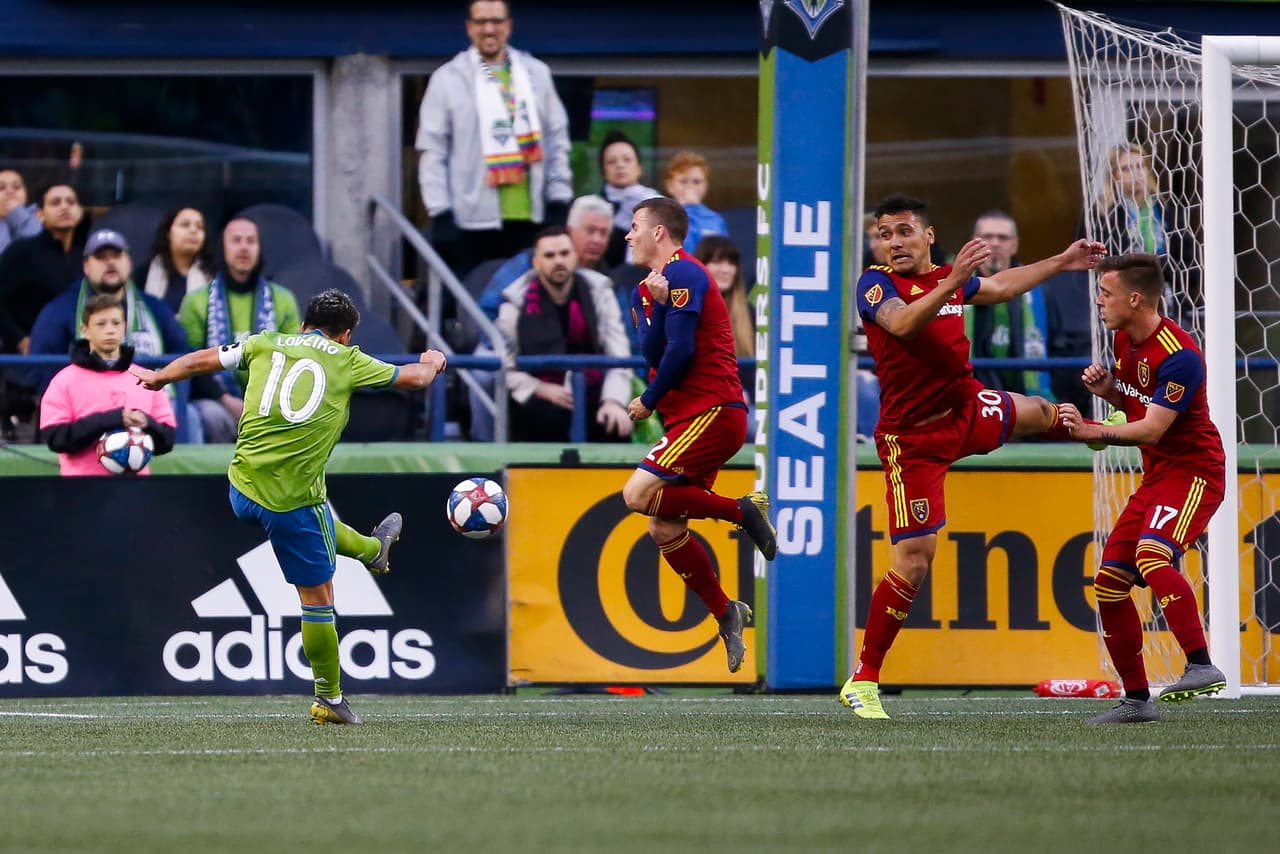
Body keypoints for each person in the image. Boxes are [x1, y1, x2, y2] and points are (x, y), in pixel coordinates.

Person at [840, 193, 1105, 719]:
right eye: (885, 234)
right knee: (915, 560)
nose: (894, 243)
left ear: (928, 236)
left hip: (963, 409)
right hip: (912, 440)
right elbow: (902, 324)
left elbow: (1001, 285)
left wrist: (1061, 260)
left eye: (904, 232)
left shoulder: (948, 278)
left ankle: (1097, 430)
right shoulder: (876, 285)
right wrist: (953, 281)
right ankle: (864, 679)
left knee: (1037, 409)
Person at [131, 289, 449, 725]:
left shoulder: (265, 341)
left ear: (303, 325)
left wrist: (160, 377)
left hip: (240, 486)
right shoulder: (348, 359)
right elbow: (415, 379)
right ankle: (329, 698)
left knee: (317, 511)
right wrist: (433, 360)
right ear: (346, 335)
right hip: (288, 502)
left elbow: (201, 360)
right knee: (319, 598)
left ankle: (372, 549)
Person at [1057, 253, 1228, 724]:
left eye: (1105, 292)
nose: (1098, 301)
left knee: (1153, 556)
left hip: (1194, 473)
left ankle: (1201, 664)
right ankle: (1136, 699)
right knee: (1109, 585)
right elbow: (1140, 408)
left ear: (1135, 299)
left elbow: (1152, 429)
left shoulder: (1180, 356)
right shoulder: (1122, 340)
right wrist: (1111, 393)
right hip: (1157, 477)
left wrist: (1093, 430)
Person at [620, 197, 776, 674]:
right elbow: (653, 349)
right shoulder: (644, 289)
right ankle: (726, 611)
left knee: (636, 495)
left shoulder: (687, 272)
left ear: (659, 232)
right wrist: (656, 305)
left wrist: (648, 399)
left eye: (635, 225)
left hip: (712, 411)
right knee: (663, 527)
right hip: (686, 418)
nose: (628, 234)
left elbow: (682, 349)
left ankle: (742, 511)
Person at [415, 0, 572, 279]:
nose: (489, 29)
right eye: (481, 22)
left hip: (531, 219)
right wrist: (440, 212)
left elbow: (557, 139)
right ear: (469, 27)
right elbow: (432, 151)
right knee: (470, 299)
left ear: (508, 26)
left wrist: (558, 200)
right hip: (469, 222)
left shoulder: (536, 74)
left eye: (497, 21)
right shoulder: (447, 79)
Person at [497, 226, 633, 442]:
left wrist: (613, 401)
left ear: (575, 257)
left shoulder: (600, 292)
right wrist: (540, 389)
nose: (558, 261)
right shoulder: (514, 303)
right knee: (541, 418)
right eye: (549, 256)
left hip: (594, 392)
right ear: (536, 263)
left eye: (564, 253)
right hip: (539, 394)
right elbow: (505, 366)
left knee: (614, 423)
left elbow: (619, 355)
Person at [178, 217, 301, 442]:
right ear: (223, 248)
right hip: (218, 403)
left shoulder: (283, 299)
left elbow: (294, 359)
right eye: (236, 240)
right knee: (209, 416)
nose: (244, 247)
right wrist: (226, 400)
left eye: (250, 241)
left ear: (259, 249)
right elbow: (190, 361)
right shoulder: (196, 301)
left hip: (273, 402)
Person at [29, 229, 189, 386]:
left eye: (117, 256)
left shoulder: (156, 308)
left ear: (129, 262)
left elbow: (182, 355)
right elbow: (40, 367)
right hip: (85, 399)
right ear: (86, 266)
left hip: (153, 397)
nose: (110, 262)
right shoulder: (60, 310)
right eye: (101, 257)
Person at [39, 295, 176, 476]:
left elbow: (167, 440)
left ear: (124, 328)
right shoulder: (64, 381)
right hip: (81, 485)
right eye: (101, 324)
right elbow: (56, 438)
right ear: (85, 330)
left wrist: (147, 423)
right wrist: (113, 419)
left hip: (137, 487)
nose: (110, 330)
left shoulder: (146, 378)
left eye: (116, 323)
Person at [478, 194, 616, 320]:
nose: (597, 240)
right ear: (570, 231)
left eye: (604, 233)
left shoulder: (608, 280)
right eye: (590, 231)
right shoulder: (529, 262)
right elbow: (487, 313)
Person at [964, 211, 1051, 398]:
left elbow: (1059, 341)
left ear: (1014, 245)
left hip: (1024, 395)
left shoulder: (1040, 291)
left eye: (1003, 238)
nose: (995, 243)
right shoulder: (951, 286)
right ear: (973, 242)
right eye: (987, 237)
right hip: (969, 395)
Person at [0, 183, 85, 355]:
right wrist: (19, 339)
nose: (64, 207)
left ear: (80, 211)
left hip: (79, 355)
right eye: (55, 202)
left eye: (71, 202)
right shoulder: (22, 251)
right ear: (40, 214)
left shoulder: (88, 254)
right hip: (30, 358)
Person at [693, 236, 753, 400]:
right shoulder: (684, 310)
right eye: (717, 261)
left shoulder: (750, 315)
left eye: (731, 263)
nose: (726, 270)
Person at [599, 130, 661, 269]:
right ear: (603, 171)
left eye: (627, 160)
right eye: (612, 162)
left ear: (639, 168)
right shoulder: (596, 207)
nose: (620, 165)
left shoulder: (657, 203)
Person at [144, 207, 215, 314]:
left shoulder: (214, 275)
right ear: (168, 233)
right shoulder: (145, 274)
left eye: (200, 227)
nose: (193, 230)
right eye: (185, 225)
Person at [665, 151, 727, 255]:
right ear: (670, 186)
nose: (690, 187)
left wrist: (694, 209)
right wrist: (688, 209)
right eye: (683, 181)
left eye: (697, 182)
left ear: (706, 185)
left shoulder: (715, 219)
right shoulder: (663, 218)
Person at [0, 168, 42, 256]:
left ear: (26, 193)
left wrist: (17, 213)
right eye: (1, 188)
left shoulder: (41, 215)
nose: (10, 192)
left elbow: (39, 247)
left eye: (17, 187)